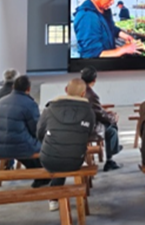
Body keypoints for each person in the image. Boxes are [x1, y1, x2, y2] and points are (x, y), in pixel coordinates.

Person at [37, 78, 95, 211]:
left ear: (66, 90)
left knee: (60, 151)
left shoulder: (50, 108)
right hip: (75, 160)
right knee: (68, 151)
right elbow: (89, 134)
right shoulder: (89, 112)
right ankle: (58, 197)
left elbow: (39, 132)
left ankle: (53, 199)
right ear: (83, 94)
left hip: (48, 159)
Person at [0, 75, 49, 188]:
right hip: (17, 145)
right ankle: (42, 176)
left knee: (28, 145)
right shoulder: (29, 103)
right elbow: (36, 129)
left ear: (13, 87)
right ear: (28, 89)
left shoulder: (0, 101)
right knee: (45, 147)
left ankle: (41, 177)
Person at [73, 0, 139, 58]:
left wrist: (125, 36)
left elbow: (111, 28)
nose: (112, 2)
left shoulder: (103, 11)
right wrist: (123, 49)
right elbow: (92, 55)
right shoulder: (87, 17)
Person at [81, 66, 123, 171]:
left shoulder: (78, 89)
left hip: (80, 123)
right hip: (88, 127)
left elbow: (96, 109)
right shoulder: (91, 95)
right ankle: (110, 159)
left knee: (110, 122)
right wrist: (112, 118)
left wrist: (105, 112)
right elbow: (99, 115)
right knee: (111, 128)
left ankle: (114, 148)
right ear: (94, 80)